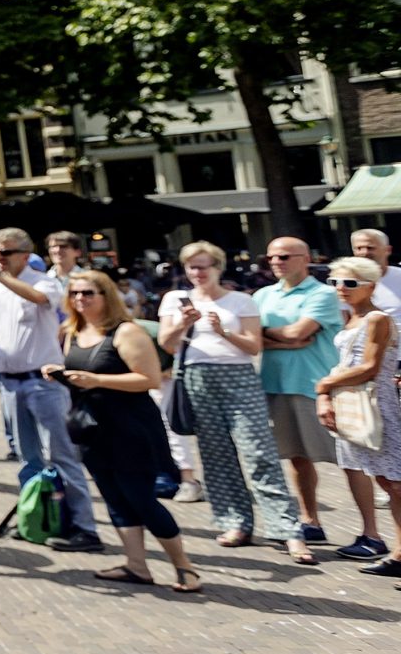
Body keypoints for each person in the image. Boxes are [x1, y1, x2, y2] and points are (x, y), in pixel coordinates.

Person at [160, 241, 308, 561]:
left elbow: (253, 346)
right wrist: (185, 323)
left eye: (204, 266)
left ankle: (287, 529)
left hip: (238, 377)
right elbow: (167, 344)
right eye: (192, 267)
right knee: (216, 455)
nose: (198, 273)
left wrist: (222, 330)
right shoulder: (175, 300)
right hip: (197, 378)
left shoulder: (240, 300)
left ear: (217, 267)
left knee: (259, 453)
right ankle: (234, 522)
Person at [55, 270, 199, 593]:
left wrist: (97, 381)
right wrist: (62, 375)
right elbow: (81, 374)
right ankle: (136, 565)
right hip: (92, 428)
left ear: (106, 295)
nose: (81, 299)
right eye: (75, 293)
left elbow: (148, 379)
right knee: (114, 498)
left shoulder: (126, 332)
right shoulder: (72, 330)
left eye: (88, 293)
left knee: (141, 498)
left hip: (130, 427)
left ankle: (185, 568)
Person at [0, 228, 101, 552]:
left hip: (44, 382)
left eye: (5, 253)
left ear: (25, 255)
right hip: (9, 383)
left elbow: (38, 298)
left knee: (62, 455)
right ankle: (34, 519)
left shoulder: (43, 281)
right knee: (28, 458)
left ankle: (85, 528)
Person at [255, 236, 365, 556]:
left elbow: (297, 334)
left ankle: (370, 532)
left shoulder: (324, 294)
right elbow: (256, 336)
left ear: (306, 259)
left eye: (285, 256)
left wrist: (280, 337)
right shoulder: (263, 295)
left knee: (350, 461)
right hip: (275, 384)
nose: (277, 262)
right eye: (272, 257)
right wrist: (283, 341)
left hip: (316, 387)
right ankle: (310, 520)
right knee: (297, 458)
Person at [320, 257, 401, 577]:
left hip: (379, 405)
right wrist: (326, 394)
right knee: (386, 480)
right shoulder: (351, 317)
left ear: (371, 286)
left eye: (350, 283)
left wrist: (324, 385)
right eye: (335, 282)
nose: (341, 288)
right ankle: (398, 553)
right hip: (357, 404)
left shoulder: (377, 318)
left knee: (395, 483)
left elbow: (370, 368)